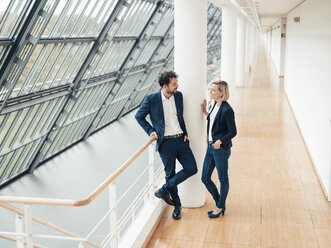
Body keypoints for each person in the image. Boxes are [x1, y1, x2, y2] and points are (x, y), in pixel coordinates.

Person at [135, 71, 197, 220]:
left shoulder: (179, 96)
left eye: (177, 83)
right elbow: (139, 116)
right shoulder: (152, 99)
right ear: (165, 86)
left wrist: (185, 132)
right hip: (166, 143)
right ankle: (177, 206)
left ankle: (163, 190)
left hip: (181, 140)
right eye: (174, 84)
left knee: (192, 168)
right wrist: (151, 131)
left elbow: (179, 117)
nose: (177, 86)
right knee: (170, 174)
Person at [200, 80, 237, 218]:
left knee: (222, 178)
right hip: (210, 147)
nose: (211, 92)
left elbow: (233, 131)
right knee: (205, 178)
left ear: (221, 93)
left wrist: (220, 141)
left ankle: (220, 206)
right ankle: (219, 203)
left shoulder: (228, 110)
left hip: (220, 149)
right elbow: (215, 120)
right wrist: (205, 112)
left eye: (214, 90)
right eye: (211, 89)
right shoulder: (215, 104)